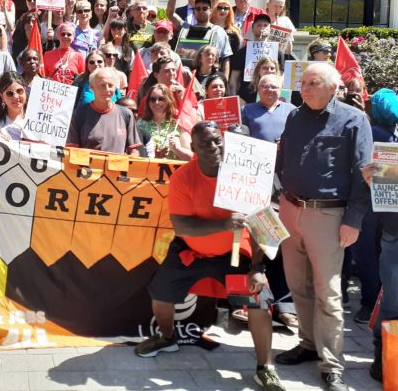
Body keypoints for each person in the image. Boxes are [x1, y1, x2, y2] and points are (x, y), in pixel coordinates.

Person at [134, 121, 285, 391]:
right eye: (204, 143)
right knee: (160, 294)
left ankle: (265, 368)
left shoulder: (247, 174)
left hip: (235, 254)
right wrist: (224, 225)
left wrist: (258, 267)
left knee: (259, 302)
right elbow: (181, 226)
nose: (213, 147)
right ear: (193, 148)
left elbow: (264, 224)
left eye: (217, 140)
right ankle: (167, 337)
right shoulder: (183, 177)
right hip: (190, 251)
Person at [275, 64, 373, 391]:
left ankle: (332, 365)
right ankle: (308, 343)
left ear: (332, 87)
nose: (305, 88)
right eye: (302, 82)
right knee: (298, 286)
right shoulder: (293, 116)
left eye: (312, 83)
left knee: (328, 294)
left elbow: (364, 175)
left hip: (329, 218)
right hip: (290, 211)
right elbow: (282, 159)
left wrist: (353, 220)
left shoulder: (353, 119)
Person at [240, 74, 298, 328]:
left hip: (284, 184)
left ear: (281, 88)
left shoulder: (293, 111)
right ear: (257, 89)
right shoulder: (247, 110)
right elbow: (239, 139)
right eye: (265, 86)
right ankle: (248, 302)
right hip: (254, 182)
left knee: (279, 241)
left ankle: (284, 305)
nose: (270, 90)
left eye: (274, 86)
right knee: (255, 243)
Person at [360, 88, 398, 382]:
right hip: (394, 230)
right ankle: (383, 358)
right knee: (393, 299)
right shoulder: (388, 141)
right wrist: (372, 177)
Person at [67, 68, 142, 156]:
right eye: (102, 85)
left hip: (118, 168)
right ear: (91, 87)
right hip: (87, 169)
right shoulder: (78, 115)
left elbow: (134, 150)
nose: (107, 89)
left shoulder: (126, 114)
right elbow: (72, 151)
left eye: (110, 85)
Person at [168, 0, 233, 77]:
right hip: (186, 76)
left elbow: (225, 59)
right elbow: (170, 14)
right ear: (194, 11)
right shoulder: (185, 28)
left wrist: (224, 82)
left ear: (210, 10)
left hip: (209, 79)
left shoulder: (219, 31)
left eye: (204, 8)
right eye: (198, 8)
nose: (201, 11)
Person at [228, 14, 284, 102]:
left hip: (271, 98)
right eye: (259, 25)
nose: (262, 28)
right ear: (253, 29)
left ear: (270, 29)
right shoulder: (242, 52)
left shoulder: (278, 52)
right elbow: (234, 78)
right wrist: (235, 100)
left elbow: (281, 76)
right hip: (246, 99)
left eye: (265, 25)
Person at [138, 84, 192, 160]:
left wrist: (177, 149)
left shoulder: (179, 123)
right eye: (152, 99)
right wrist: (153, 156)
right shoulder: (140, 124)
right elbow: (134, 153)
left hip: (175, 171)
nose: (156, 102)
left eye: (161, 99)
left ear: (168, 100)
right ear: (148, 102)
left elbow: (191, 157)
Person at [0, 71, 27, 141]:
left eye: (19, 91)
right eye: (10, 93)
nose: (15, 96)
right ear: (2, 96)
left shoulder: (38, 122)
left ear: (25, 90)